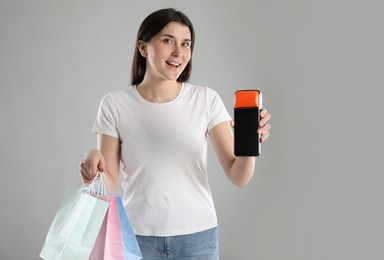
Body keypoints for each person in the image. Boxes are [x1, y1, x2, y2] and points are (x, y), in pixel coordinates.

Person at [79, 8, 271, 260]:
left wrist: (250, 144)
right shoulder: (114, 104)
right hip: (137, 238)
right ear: (143, 47)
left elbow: (239, 176)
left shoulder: (206, 100)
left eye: (186, 44)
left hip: (198, 238)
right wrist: (95, 160)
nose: (179, 53)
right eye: (168, 40)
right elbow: (110, 184)